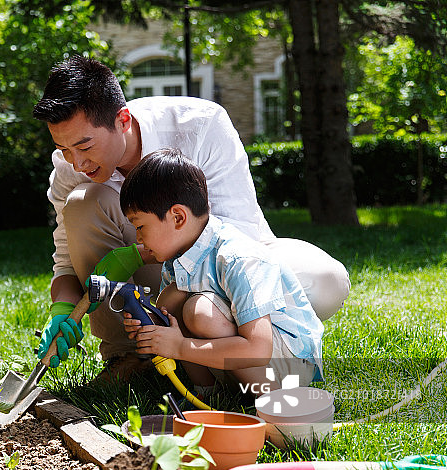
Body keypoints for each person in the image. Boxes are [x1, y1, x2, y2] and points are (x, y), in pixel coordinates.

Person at [31, 55, 348, 382]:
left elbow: (234, 236)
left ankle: (204, 343)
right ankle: (128, 357)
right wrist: (62, 311)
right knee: (82, 202)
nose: (77, 162)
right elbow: (67, 263)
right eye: (64, 149)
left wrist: (136, 256)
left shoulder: (200, 126)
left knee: (328, 280)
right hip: (158, 279)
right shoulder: (68, 167)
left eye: (85, 146)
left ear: (123, 120)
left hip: (230, 262)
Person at [120, 148, 323, 396]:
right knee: (172, 299)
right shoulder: (177, 260)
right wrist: (153, 326)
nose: (138, 238)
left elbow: (259, 348)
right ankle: (207, 394)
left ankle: (270, 401)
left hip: (287, 363)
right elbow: (171, 316)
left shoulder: (238, 257)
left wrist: (180, 347)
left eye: (140, 226)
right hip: (242, 357)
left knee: (200, 312)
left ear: (178, 217)